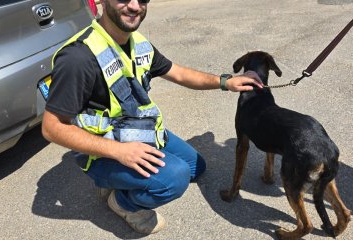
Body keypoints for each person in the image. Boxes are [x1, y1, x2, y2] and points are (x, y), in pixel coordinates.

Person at [41, 0, 263, 235]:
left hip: (138, 130)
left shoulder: (137, 43)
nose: (135, 6)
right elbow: (52, 128)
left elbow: (177, 72)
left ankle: (120, 182)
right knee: (175, 177)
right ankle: (123, 203)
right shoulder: (78, 58)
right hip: (105, 152)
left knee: (195, 167)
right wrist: (120, 152)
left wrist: (224, 82)